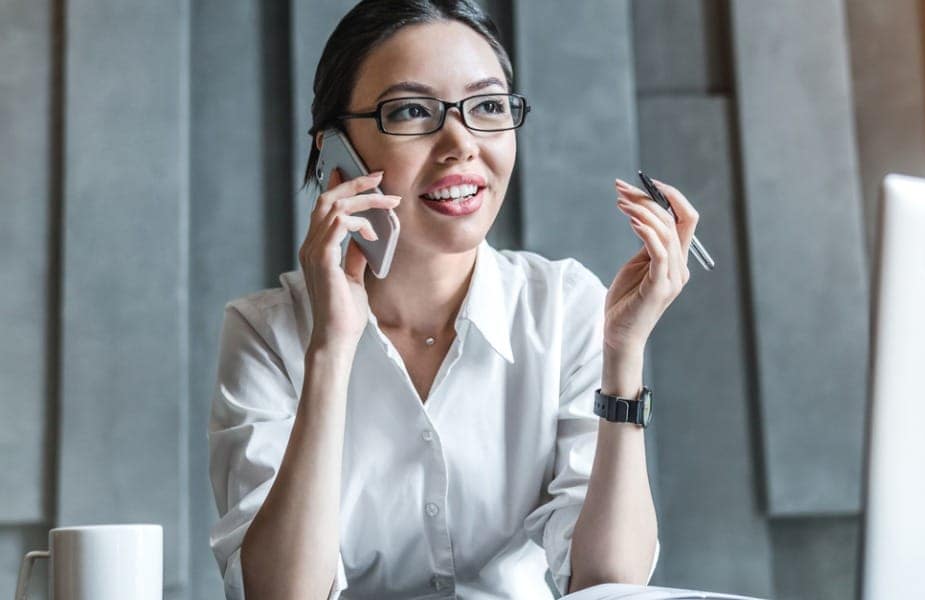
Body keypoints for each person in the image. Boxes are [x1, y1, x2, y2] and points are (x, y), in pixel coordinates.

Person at [207, 1, 699, 598]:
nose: (461, 143)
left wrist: (623, 359)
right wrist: (330, 351)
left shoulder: (565, 307)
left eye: (489, 106)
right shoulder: (266, 332)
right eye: (411, 111)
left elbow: (608, 585)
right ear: (334, 148)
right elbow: (281, 594)